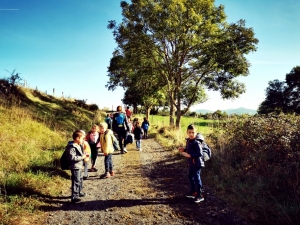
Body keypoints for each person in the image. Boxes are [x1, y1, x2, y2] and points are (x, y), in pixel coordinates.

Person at [178, 124, 205, 203]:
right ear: (187, 132)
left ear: (196, 133)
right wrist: (184, 150)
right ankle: (194, 192)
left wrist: (189, 155)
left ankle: (200, 195)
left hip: (197, 163)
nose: (191, 134)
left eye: (193, 132)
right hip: (192, 163)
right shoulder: (189, 140)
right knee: (190, 177)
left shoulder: (196, 142)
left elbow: (199, 153)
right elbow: (190, 150)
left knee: (197, 178)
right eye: (189, 132)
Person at [66, 130, 87, 203]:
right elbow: (72, 157)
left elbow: (81, 153)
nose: (83, 140)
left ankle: (79, 192)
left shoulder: (79, 145)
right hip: (75, 167)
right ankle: (74, 197)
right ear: (77, 138)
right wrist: (82, 157)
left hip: (80, 166)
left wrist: (84, 154)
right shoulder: (72, 147)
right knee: (76, 181)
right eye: (82, 138)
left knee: (80, 179)